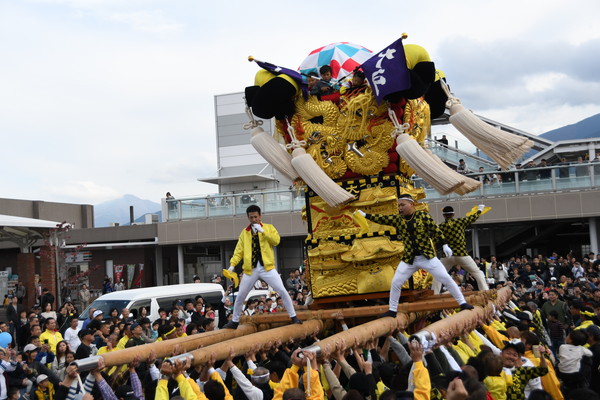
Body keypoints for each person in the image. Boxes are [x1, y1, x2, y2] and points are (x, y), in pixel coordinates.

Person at [357, 194, 474, 318]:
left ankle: (462, 303)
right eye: (399, 205)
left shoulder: (423, 216)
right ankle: (392, 310)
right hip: (409, 259)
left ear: (411, 204)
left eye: (402, 205)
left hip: (427, 257)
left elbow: (436, 230)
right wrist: (365, 215)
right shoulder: (398, 219)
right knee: (396, 283)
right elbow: (382, 219)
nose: (400, 208)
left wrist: (444, 244)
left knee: (446, 279)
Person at [222, 205, 302, 329]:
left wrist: (263, 231)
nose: (253, 219)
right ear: (248, 218)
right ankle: (235, 321)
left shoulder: (269, 228)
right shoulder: (245, 233)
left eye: (255, 217)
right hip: (250, 269)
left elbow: (276, 241)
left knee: (282, 290)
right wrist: (232, 265)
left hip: (267, 268)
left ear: (260, 216)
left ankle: (293, 316)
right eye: (251, 217)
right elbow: (238, 251)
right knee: (241, 295)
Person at [432, 205, 489, 294]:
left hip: (447, 256)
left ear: (443, 215)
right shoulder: (460, 222)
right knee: (477, 273)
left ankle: (434, 294)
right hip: (461, 254)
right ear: (453, 214)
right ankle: (486, 292)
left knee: (438, 275)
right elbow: (472, 218)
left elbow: (435, 241)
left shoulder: (441, 226)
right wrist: (479, 210)